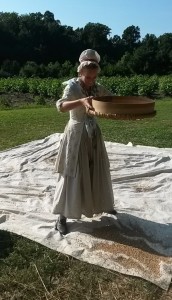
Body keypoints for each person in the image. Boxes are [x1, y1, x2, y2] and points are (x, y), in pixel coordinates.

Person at [52, 49, 116, 235]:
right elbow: (60, 106)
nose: (91, 80)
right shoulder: (72, 86)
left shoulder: (96, 87)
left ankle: (103, 203)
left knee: (95, 168)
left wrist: (122, 108)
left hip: (93, 133)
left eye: (94, 77)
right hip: (76, 133)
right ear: (80, 72)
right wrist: (81, 101)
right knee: (72, 172)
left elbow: (110, 99)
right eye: (88, 77)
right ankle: (62, 216)